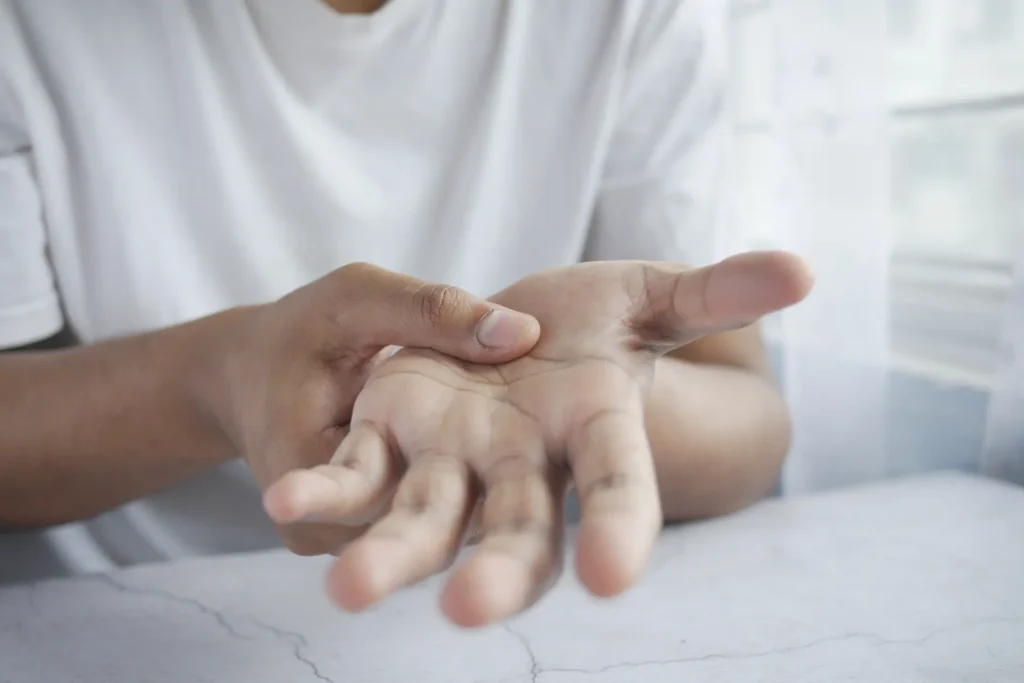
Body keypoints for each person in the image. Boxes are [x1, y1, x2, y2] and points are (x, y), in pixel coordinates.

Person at [0, 0, 811, 627]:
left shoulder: (633, 17)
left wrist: (582, 393)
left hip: (516, 621)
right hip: (103, 620)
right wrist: (218, 379)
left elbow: (752, 419)